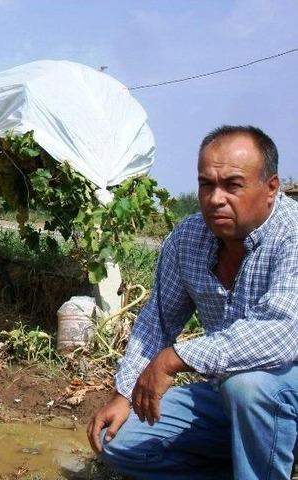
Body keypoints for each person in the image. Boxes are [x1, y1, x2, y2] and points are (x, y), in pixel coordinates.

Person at [87, 125, 298, 479]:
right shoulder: (188, 238)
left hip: (280, 392)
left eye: (232, 185)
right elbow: (158, 322)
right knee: (119, 441)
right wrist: (124, 393)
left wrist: (176, 358)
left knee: (248, 386)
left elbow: (282, 332)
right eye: (206, 184)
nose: (215, 199)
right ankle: (245, 463)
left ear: (271, 188)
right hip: (227, 397)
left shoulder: (292, 235)